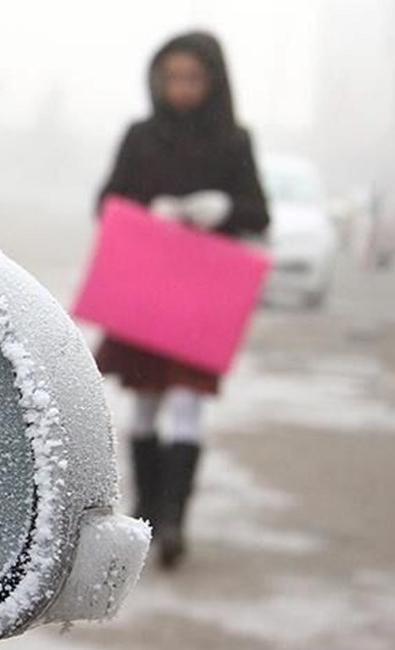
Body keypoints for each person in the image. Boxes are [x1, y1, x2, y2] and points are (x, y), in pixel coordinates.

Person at [95, 31, 269, 570]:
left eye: (192, 77)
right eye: (171, 77)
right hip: (146, 292)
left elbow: (258, 213)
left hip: (200, 299)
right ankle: (145, 510)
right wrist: (151, 211)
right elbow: (106, 202)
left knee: (190, 404)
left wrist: (222, 208)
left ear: (213, 81)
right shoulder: (140, 137)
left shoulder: (234, 142)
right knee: (145, 402)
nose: (180, 88)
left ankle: (173, 518)